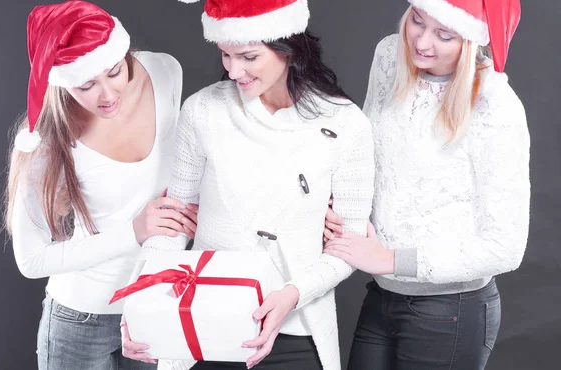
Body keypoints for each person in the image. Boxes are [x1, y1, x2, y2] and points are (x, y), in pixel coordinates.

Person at [120, 1, 375, 370]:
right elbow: (173, 225)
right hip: (203, 319)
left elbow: (349, 244)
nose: (233, 69)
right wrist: (142, 300)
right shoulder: (203, 110)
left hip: (297, 327)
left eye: (248, 57)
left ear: (288, 47)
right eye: (225, 54)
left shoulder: (347, 124)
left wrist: (294, 293)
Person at [323, 0, 530, 369]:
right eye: (417, 21)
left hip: (451, 310)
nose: (422, 42)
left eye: (444, 34)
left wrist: (390, 259)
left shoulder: (495, 104)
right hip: (384, 293)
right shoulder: (391, 54)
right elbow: (369, 152)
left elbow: (505, 247)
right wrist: (342, 206)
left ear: (470, 40)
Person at [4, 1, 198, 368]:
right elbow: (30, 261)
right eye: (87, 84)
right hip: (81, 318)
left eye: (114, 72)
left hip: (152, 304)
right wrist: (134, 232)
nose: (108, 95)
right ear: (62, 81)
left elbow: (179, 168)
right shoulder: (45, 140)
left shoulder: (164, 71)